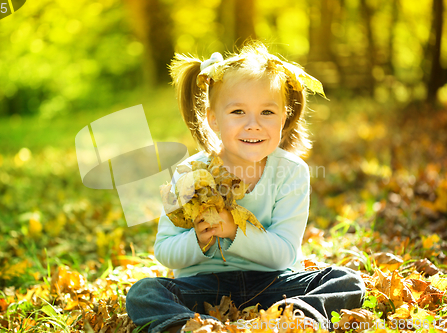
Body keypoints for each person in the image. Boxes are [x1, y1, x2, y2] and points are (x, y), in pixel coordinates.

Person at [126, 41, 365, 333]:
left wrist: (234, 230)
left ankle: (292, 320)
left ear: (284, 117)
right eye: (238, 112)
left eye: (267, 112)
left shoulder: (291, 172)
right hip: (202, 287)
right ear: (213, 119)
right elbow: (165, 250)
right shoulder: (190, 173)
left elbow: (284, 254)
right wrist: (199, 241)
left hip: (273, 286)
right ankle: (198, 328)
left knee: (346, 281)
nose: (254, 124)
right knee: (144, 293)